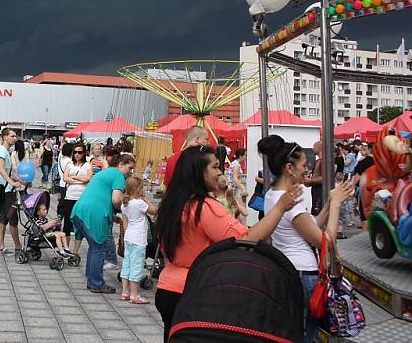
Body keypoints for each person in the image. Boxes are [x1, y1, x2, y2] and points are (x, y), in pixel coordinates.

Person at [153, 146, 302, 341]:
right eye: (215, 167)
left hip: (167, 289)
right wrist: (280, 208)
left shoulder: (171, 205)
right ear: (199, 172)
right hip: (195, 292)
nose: (220, 172)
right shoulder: (204, 207)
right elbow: (245, 241)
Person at [259, 135, 354, 343]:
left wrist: (329, 204)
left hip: (292, 270)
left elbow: (309, 227)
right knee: (304, 335)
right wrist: (337, 205)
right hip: (304, 275)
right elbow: (325, 240)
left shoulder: (273, 195)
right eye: (303, 164)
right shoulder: (288, 203)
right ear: (289, 168)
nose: (307, 168)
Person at [71, 153, 136, 294]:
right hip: (94, 214)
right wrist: (127, 208)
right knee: (98, 248)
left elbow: (101, 195)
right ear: (121, 164)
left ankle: (92, 280)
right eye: (129, 168)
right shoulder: (118, 175)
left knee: (94, 247)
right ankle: (96, 283)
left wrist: (112, 216)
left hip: (80, 211)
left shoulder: (106, 172)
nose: (130, 172)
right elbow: (116, 200)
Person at [120, 176, 156, 304]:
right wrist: (146, 198)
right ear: (138, 189)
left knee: (127, 264)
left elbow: (125, 223)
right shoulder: (140, 203)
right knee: (136, 266)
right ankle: (134, 295)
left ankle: (125, 292)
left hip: (128, 237)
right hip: (138, 239)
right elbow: (154, 211)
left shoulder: (125, 203)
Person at [0, 128, 24, 256]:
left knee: (4, 218)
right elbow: (0, 169)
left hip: (2, 188)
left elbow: (4, 170)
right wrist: (12, 183)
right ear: (4, 137)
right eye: (12, 136)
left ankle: (0, 246)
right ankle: (18, 247)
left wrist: (17, 180)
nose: (14, 138)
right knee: (13, 219)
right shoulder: (2, 151)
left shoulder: (2, 149)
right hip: (6, 190)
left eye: (15, 136)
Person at [62, 142, 93, 250]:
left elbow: (88, 178)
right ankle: (66, 248)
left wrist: (74, 178)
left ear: (84, 153)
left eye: (80, 152)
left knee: (79, 224)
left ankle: (75, 251)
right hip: (69, 196)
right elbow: (65, 178)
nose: (77, 154)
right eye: (75, 152)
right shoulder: (69, 164)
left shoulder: (88, 165)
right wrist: (80, 180)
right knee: (67, 225)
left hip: (81, 198)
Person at [304, 140, 324, 215]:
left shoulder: (323, 161)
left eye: (314, 147)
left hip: (320, 191)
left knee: (318, 213)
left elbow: (323, 178)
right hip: (315, 191)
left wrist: (310, 181)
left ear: (319, 147)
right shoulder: (317, 161)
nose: (312, 149)